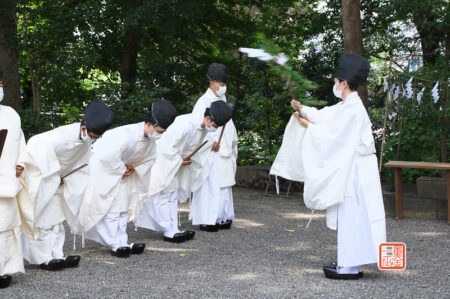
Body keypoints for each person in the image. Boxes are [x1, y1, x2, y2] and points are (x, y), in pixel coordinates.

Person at [289, 53, 386, 279]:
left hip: (357, 172)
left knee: (352, 217)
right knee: (352, 218)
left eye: (335, 82)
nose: (334, 85)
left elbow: (335, 137)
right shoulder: (347, 106)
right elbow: (326, 117)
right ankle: (350, 262)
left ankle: (350, 266)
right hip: (353, 169)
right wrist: (303, 110)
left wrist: (307, 127)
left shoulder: (353, 109)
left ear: (343, 83)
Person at [21, 100, 114, 271]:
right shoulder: (58, 137)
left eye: (96, 137)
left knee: (58, 220)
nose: (92, 140)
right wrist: (55, 176)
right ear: (84, 127)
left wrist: (67, 178)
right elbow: (38, 151)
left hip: (62, 181)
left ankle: (57, 255)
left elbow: (82, 165)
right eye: (92, 136)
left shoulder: (86, 141)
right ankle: (44, 259)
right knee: (43, 221)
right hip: (45, 178)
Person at [79, 99, 176, 257]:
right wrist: (120, 168)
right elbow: (104, 156)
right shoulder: (124, 134)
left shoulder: (150, 140)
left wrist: (136, 167)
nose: (159, 135)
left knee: (122, 209)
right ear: (150, 124)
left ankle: (122, 241)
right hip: (107, 173)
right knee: (110, 209)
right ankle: (113, 243)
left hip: (126, 175)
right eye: (159, 131)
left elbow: (150, 158)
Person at [137, 100, 233, 242]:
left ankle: (173, 228)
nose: (214, 128)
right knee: (163, 195)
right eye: (214, 124)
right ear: (207, 118)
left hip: (176, 163)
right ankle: (168, 231)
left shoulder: (203, 127)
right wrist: (179, 160)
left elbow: (194, 147)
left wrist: (184, 159)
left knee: (172, 195)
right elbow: (165, 147)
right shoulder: (185, 125)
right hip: (164, 162)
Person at [0, 64, 40, 288]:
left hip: (6, 184)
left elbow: (20, 145)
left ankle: (4, 270)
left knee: (5, 228)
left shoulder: (11, 115)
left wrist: (20, 164)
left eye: (1, 85)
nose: (0, 90)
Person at [189, 63, 238, 232]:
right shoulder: (203, 102)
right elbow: (199, 126)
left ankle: (223, 216)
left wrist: (233, 140)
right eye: (222, 84)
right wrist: (210, 143)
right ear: (213, 84)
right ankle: (207, 219)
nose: (224, 88)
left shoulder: (222, 99)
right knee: (210, 184)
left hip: (225, 149)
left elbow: (229, 123)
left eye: (225, 84)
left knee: (224, 184)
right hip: (211, 151)